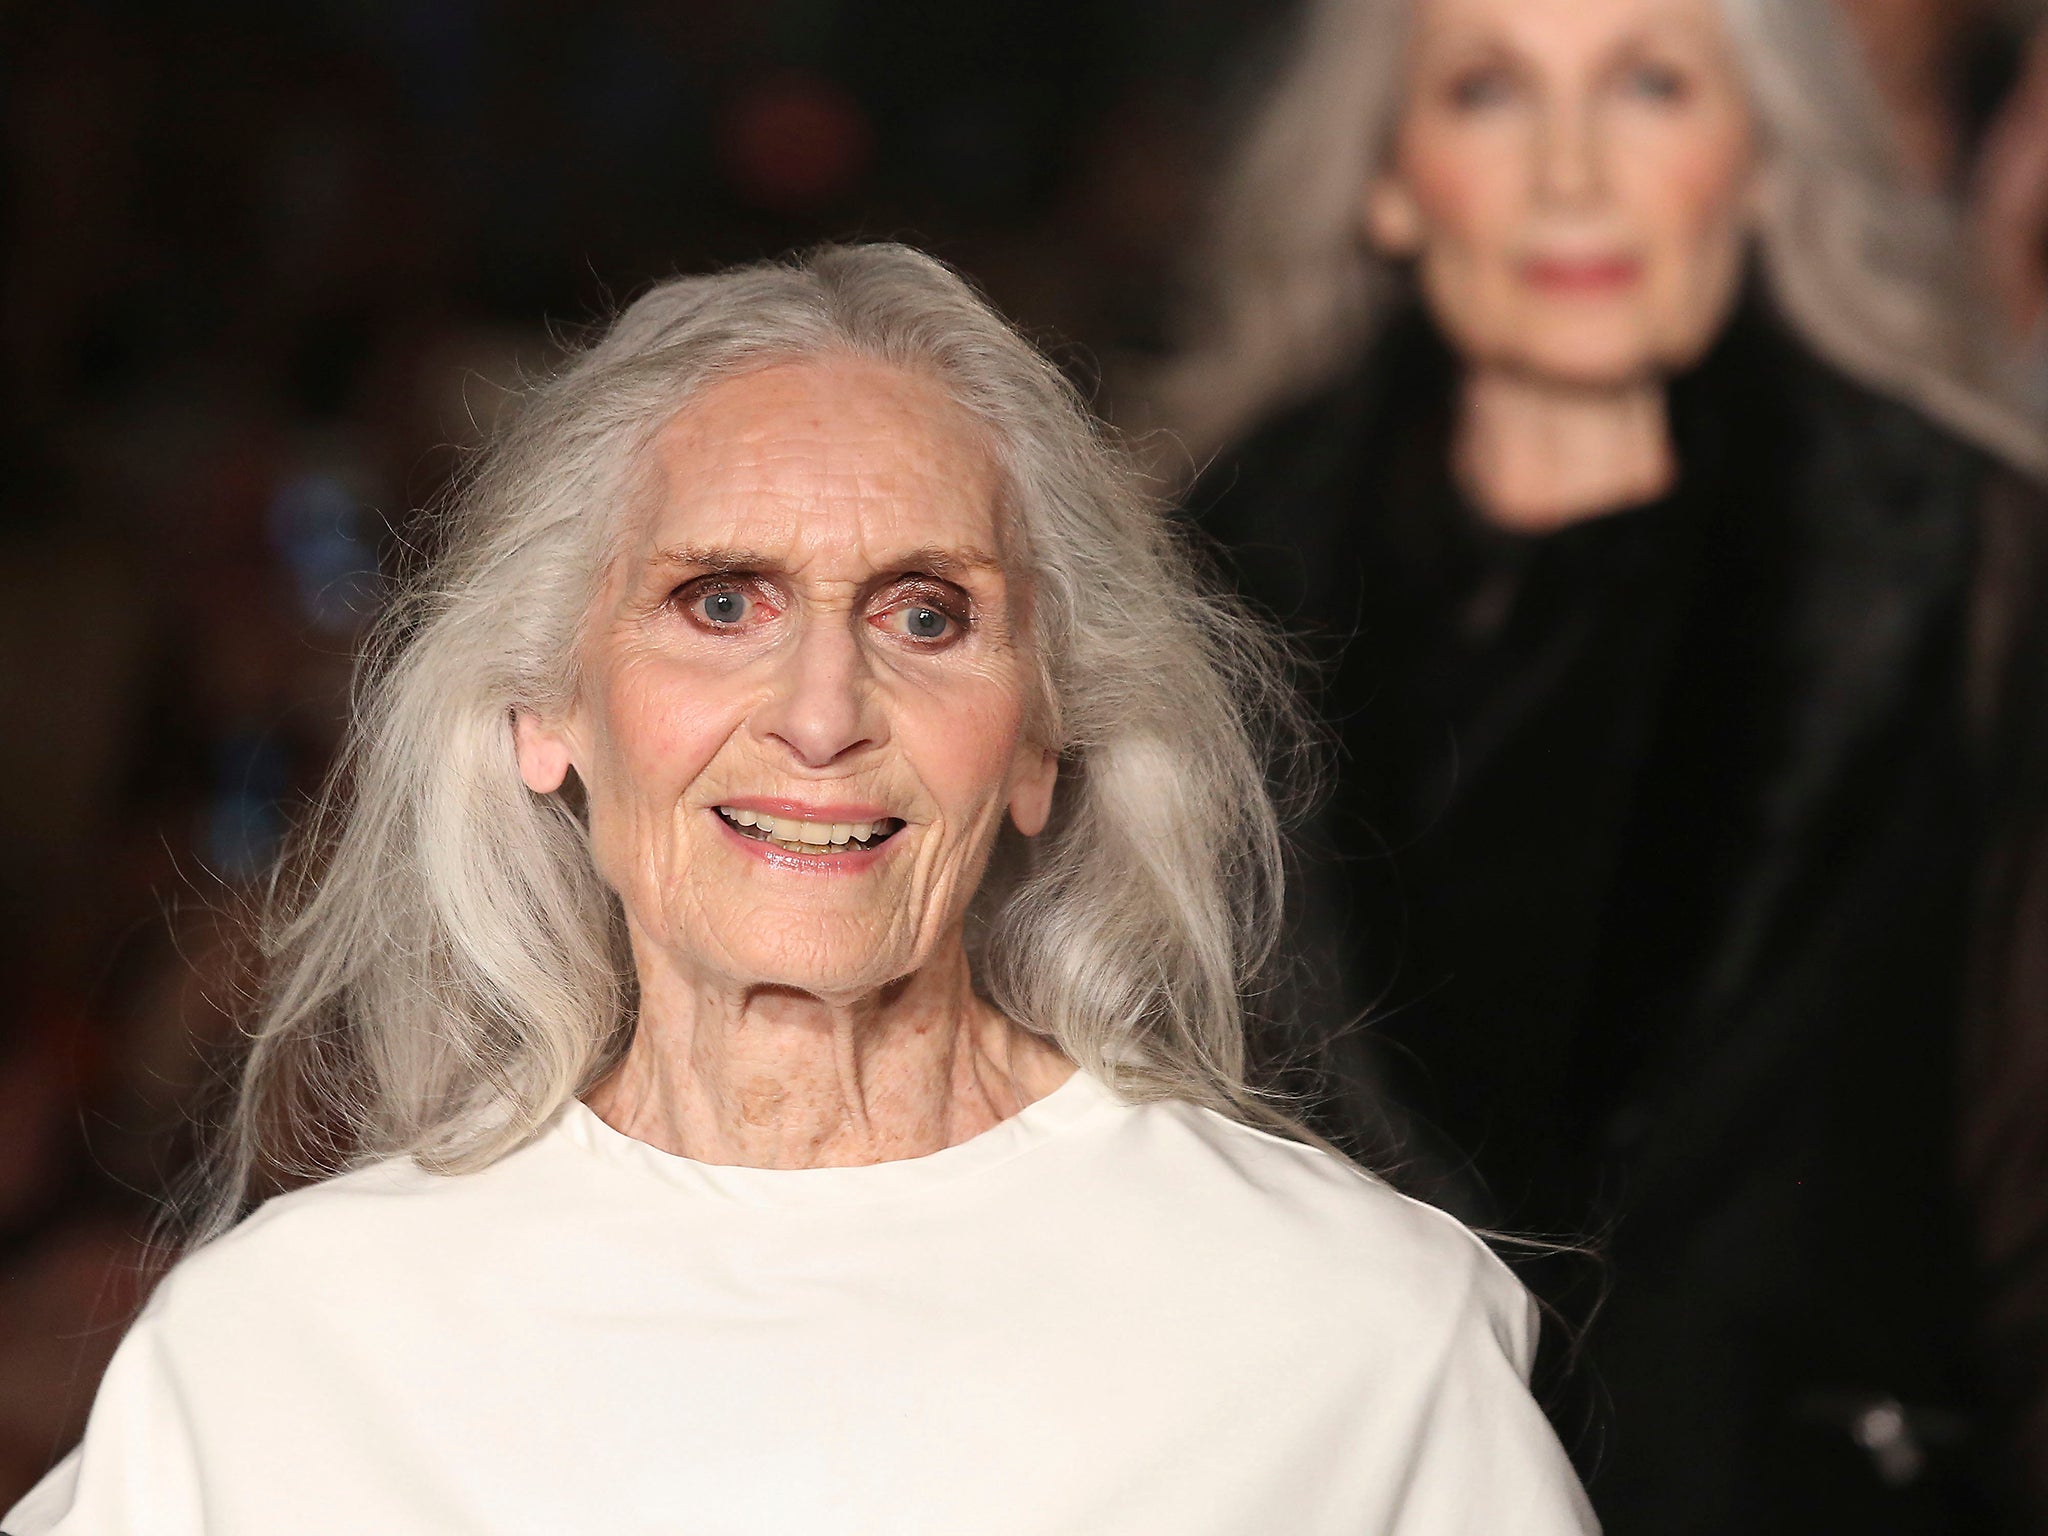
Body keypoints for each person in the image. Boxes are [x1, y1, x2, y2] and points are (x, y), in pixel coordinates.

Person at [2, 244, 1595, 1535]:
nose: (823, 715)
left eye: (925, 615)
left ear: (1041, 737)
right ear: (547, 708)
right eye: (720, 602)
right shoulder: (295, 1353)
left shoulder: (1349, 1334)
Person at [1150, 0, 2048, 1530]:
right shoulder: (1192, 597)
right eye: (1490, 92)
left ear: (1758, 153)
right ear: (1389, 179)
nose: (1572, 173)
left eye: (1649, 84)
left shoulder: (1964, 567)